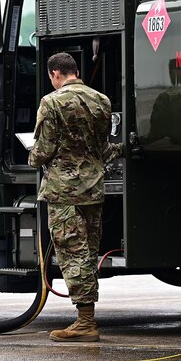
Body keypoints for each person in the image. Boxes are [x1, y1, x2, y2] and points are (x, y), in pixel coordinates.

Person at [28, 52, 123, 342]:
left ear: (55, 74)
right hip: (93, 190)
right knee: (89, 253)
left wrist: (32, 157)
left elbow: (43, 151)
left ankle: (85, 321)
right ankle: (86, 318)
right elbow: (104, 149)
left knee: (72, 254)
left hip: (63, 192)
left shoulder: (51, 102)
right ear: (76, 72)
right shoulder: (101, 101)